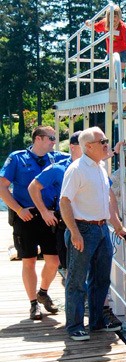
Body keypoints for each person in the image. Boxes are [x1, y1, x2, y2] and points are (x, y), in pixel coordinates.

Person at [59, 127, 126, 341]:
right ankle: (75, 326)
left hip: (101, 229)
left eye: (106, 141)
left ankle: (97, 321)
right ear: (88, 146)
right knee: (77, 281)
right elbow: (64, 201)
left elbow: (107, 201)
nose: (106, 145)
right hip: (83, 228)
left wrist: (118, 227)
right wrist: (74, 232)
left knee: (101, 279)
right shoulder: (77, 169)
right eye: (103, 141)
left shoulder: (99, 167)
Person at [0, 126, 70, 320]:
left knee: (54, 261)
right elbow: (2, 187)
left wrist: (111, 152)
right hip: (26, 217)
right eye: (51, 138)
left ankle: (43, 292)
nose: (54, 141)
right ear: (39, 139)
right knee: (29, 261)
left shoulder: (57, 158)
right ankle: (33, 304)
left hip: (49, 217)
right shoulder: (17, 158)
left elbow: (80, 156)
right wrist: (18, 209)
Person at [28, 131, 82, 272]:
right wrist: (44, 211)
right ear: (72, 147)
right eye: (83, 145)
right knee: (71, 270)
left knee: (93, 270)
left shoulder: (96, 167)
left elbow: (109, 194)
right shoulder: (59, 168)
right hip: (67, 225)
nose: (88, 148)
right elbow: (33, 187)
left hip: (92, 225)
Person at [85, 5, 126, 75]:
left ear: (119, 17)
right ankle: (123, 72)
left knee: (121, 69)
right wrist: (89, 24)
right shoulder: (105, 23)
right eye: (110, 17)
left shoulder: (123, 27)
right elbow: (96, 27)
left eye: (115, 17)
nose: (112, 19)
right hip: (111, 51)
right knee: (107, 64)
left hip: (122, 51)